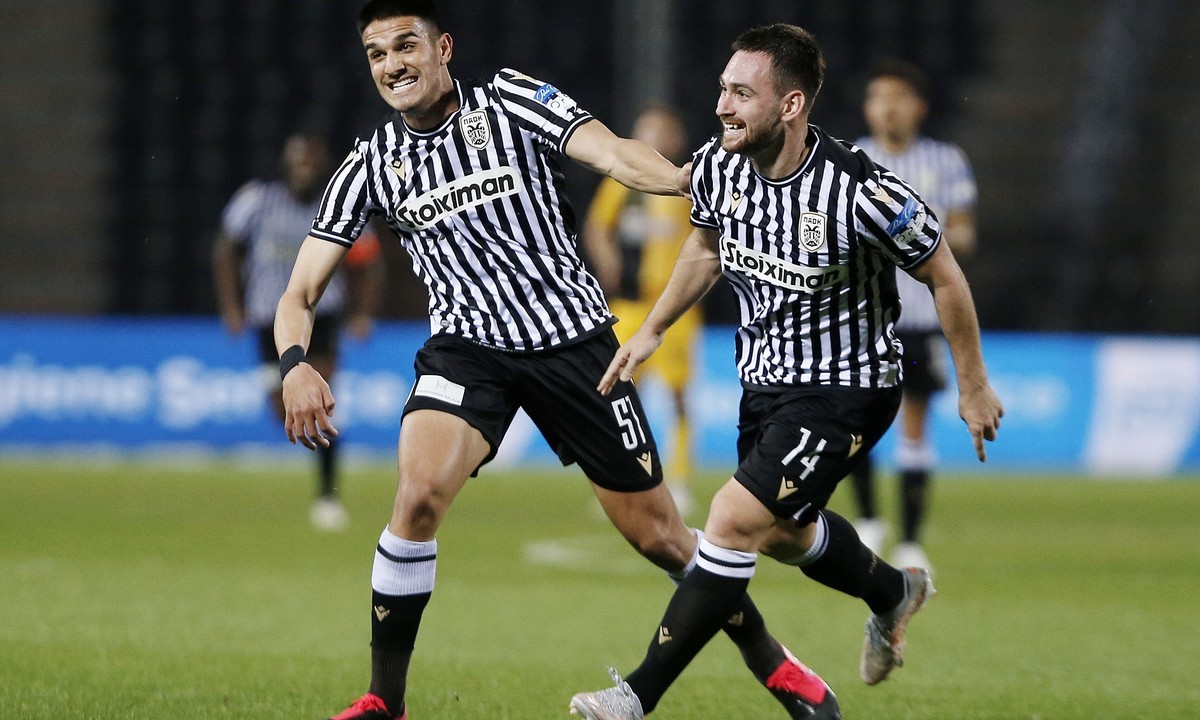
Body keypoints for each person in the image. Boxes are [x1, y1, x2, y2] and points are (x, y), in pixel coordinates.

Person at [276, 3, 838, 719]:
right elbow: (299, 291)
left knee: (663, 539)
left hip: (575, 346)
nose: (393, 65)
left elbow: (613, 153)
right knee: (415, 499)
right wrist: (295, 363)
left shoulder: (512, 100)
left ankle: (777, 665)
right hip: (467, 352)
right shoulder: (371, 163)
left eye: (406, 45)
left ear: (443, 48)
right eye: (377, 53)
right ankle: (385, 702)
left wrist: (680, 181)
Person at [570, 24, 1002, 720]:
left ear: (791, 104)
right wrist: (653, 327)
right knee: (783, 533)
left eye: (742, 93)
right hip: (765, 384)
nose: (723, 105)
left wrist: (973, 383)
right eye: (723, 89)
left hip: (849, 386)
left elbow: (944, 274)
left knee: (732, 519)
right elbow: (705, 248)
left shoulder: (861, 191)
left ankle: (635, 697)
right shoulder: (719, 166)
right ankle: (893, 592)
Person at [843, 59, 980, 573]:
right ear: (867, 108)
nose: (888, 108)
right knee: (853, 419)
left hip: (921, 319)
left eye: (898, 97)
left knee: (914, 427)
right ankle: (869, 521)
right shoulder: (851, 159)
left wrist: (917, 232)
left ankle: (911, 540)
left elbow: (965, 234)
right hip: (862, 318)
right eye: (878, 97)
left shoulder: (946, 161)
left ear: (918, 107)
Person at [213, 132, 384, 532]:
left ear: (322, 166)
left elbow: (369, 261)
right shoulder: (257, 200)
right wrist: (232, 306)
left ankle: (327, 495)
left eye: (309, 161)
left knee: (320, 403)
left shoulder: (340, 204)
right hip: (268, 320)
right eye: (296, 161)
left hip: (322, 317)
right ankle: (325, 481)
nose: (302, 168)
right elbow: (225, 248)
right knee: (283, 409)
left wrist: (363, 313)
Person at [583, 105, 700, 517]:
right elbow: (596, 226)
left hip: (676, 311)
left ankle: (678, 481)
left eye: (659, 131)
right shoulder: (622, 183)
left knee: (678, 397)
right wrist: (608, 261)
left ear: (676, 139)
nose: (651, 137)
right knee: (619, 394)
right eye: (645, 129)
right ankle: (622, 478)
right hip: (629, 307)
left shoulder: (690, 185)